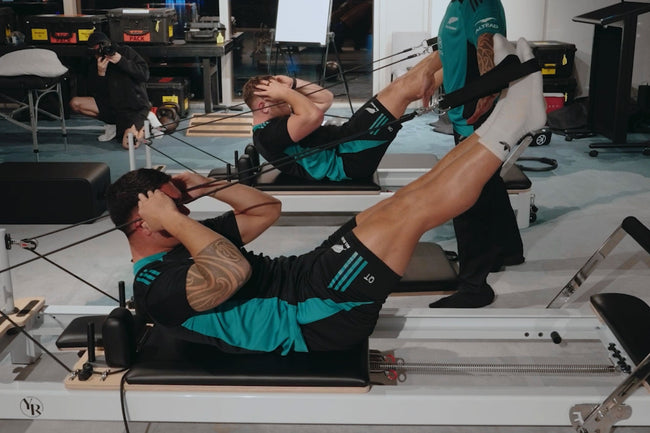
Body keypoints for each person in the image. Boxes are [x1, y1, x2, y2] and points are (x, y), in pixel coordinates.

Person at [106, 36, 545, 354]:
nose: (184, 212)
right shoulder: (155, 289)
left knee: (401, 201)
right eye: (173, 207)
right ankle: (514, 124)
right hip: (314, 316)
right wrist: (175, 218)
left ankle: (504, 122)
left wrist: (206, 188)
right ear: (144, 222)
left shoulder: (181, 241)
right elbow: (231, 272)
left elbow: (265, 209)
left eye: (180, 205)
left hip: (305, 279)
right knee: (410, 211)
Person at [427, 0, 525, 308]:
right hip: (463, 112)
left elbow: (487, 47)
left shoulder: (480, 4)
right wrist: (431, 79)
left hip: (474, 116)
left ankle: (473, 286)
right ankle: (508, 250)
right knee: (488, 183)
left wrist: (487, 93)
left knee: (466, 195)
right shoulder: (457, 4)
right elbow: (456, 50)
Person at [241, 51, 441, 182]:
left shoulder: (275, 122)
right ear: (263, 107)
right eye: (279, 99)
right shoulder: (268, 135)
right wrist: (286, 93)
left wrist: (292, 85)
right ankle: (451, 54)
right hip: (348, 160)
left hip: (346, 142)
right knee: (402, 89)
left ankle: (448, 53)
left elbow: (325, 98)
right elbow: (314, 115)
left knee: (400, 85)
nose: (286, 101)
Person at [69, 31, 153, 149]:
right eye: (96, 51)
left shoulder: (125, 52)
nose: (101, 53)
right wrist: (101, 73)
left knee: (128, 144)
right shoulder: (94, 63)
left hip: (134, 108)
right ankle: (114, 125)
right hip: (113, 107)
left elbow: (144, 75)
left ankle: (146, 124)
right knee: (75, 103)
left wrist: (121, 61)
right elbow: (96, 93)